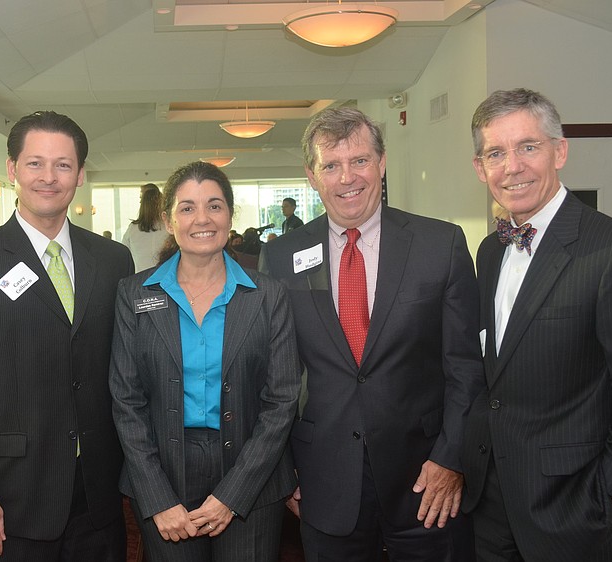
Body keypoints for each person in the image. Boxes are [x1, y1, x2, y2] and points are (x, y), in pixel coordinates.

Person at [259, 107, 484, 561]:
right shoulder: (282, 257)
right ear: (311, 175)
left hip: (426, 482)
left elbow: (466, 368)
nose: (348, 177)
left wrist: (451, 458)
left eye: (360, 160)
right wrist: (282, 471)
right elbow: (273, 375)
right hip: (322, 480)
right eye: (331, 165)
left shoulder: (440, 244)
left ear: (382, 164)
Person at [0, 111, 134, 562]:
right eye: (35, 163)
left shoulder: (114, 259)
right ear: (12, 170)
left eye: (63, 165)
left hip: (97, 492)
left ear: (80, 174)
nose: (48, 177)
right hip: (8, 498)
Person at [461, 88, 612, 562]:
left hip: (572, 506)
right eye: (496, 153)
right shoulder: (490, 251)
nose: (512, 166)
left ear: (560, 151)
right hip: (491, 502)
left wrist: (611, 494)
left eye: (528, 147)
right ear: (480, 168)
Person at [109, 161, 301, 562]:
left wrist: (234, 494)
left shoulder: (268, 295)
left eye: (214, 206)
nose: (202, 219)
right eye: (187, 208)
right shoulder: (133, 294)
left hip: (252, 473)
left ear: (230, 215)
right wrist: (157, 497)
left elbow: (281, 401)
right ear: (168, 218)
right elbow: (126, 401)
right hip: (163, 471)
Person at [121, 183, 168, 271]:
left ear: (142, 205)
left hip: (140, 278)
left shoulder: (133, 229)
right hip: (165, 278)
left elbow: (124, 252)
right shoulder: (169, 227)